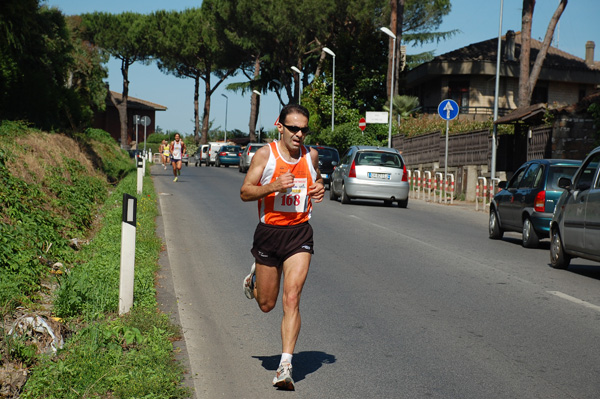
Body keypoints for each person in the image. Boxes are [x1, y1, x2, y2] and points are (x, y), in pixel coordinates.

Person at [240, 104, 325, 391]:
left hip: (299, 233)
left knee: (292, 298)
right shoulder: (266, 155)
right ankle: (255, 278)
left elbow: (317, 180)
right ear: (280, 127)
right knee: (267, 304)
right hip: (269, 233)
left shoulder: (310, 155)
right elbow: (245, 192)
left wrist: (320, 188)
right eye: (293, 128)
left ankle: (285, 365)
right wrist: (273, 185)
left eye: (304, 129)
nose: (299, 134)